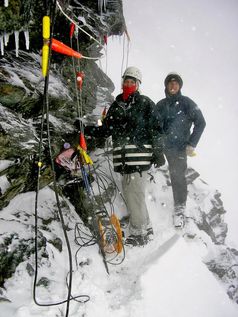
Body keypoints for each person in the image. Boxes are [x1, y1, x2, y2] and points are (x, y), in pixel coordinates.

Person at [77, 66, 164, 246]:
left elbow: (156, 129)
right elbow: (106, 129)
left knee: (134, 195)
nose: (129, 84)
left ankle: (138, 235)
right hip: (123, 159)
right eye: (127, 81)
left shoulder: (145, 103)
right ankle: (146, 228)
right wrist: (85, 129)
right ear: (123, 81)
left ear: (138, 84)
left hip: (139, 158)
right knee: (135, 195)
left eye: (133, 82)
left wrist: (158, 152)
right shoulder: (116, 106)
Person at [154, 72, 206, 228]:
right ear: (166, 86)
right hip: (161, 148)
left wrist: (192, 144)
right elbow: (153, 126)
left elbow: (201, 122)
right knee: (156, 174)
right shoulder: (161, 105)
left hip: (179, 149)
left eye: (176, 83)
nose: (173, 85)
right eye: (170, 82)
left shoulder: (187, 103)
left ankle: (179, 210)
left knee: (178, 177)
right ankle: (154, 207)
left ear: (180, 86)